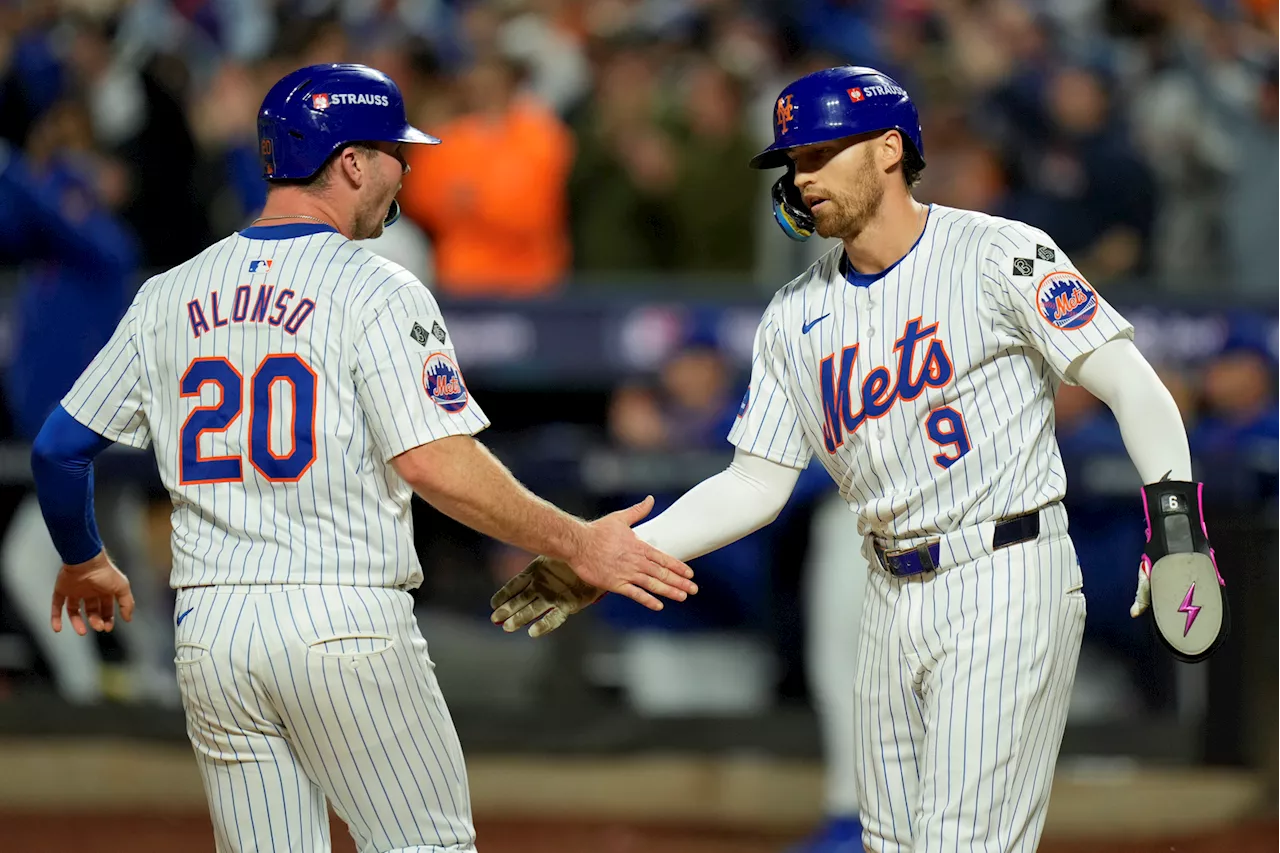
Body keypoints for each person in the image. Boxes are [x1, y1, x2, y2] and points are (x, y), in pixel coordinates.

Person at [490, 66, 1228, 853]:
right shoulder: (794, 316)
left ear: (886, 150)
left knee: (960, 842)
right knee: (891, 843)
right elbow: (752, 483)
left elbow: (1133, 385)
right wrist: (610, 555)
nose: (802, 178)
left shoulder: (998, 252)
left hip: (1006, 575)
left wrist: (1176, 522)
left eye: (819, 155)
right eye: (793, 163)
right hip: (888, 590)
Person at [28, 62, 695, 853]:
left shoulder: (167, 292)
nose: (405, 171)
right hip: (339, 617)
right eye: (392, 153)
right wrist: (580, 541)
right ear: (350, 162)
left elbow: (57, 448)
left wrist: (84, 558)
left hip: (210, 629)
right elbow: (433, 462)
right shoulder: (378, 285)